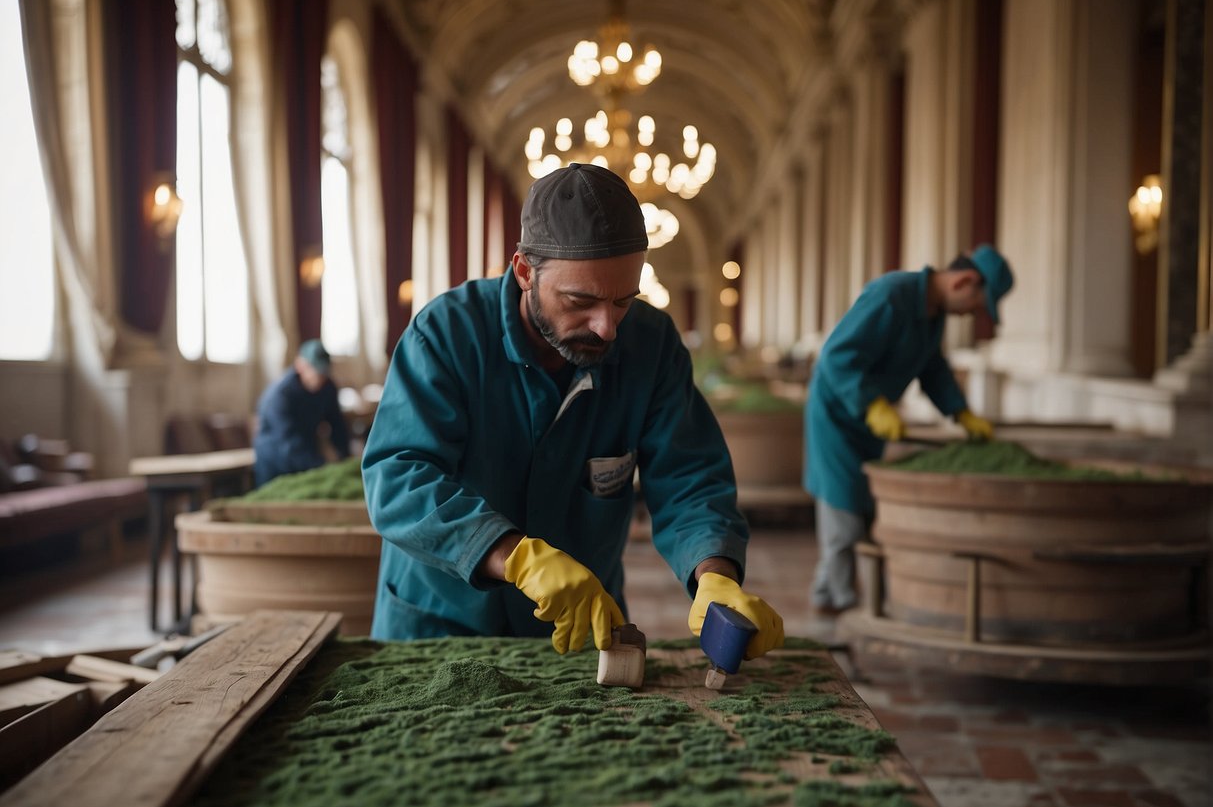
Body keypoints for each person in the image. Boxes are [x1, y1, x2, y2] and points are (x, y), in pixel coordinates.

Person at [362, 162, 784, 658]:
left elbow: (690, 478)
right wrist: (513, 557)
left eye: (623, 301)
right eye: (580, 300)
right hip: (438, 626)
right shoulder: (445, 336)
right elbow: (398, 476)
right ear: (524, 271)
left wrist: (715, 575)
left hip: (579, 632)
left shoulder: (651, 346)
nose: (606, 327)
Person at [802, 245, 1014, 615]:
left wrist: (961, 413)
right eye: (976, 304)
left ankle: (825, 593)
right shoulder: (891, 295)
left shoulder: (932, 317)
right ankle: (844, 605)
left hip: (870, 420)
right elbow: (837, 356)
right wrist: (871, 403)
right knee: (844, 509)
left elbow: (932, 369)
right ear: (966, 280)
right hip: (837, 414)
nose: (970, 313)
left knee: (863, 505)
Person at [252, 339, 351, 487]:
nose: (319, 377)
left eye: (323, 372)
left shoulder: (327, 389)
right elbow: (289, 441)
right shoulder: (280, 396)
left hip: (305, 454)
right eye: (314, 370)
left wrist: (344, 460)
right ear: (300, 365)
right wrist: (321, 467)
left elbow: (338, 426)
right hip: (274, 460)